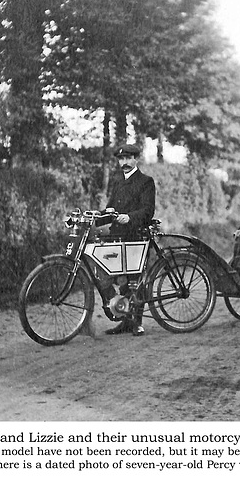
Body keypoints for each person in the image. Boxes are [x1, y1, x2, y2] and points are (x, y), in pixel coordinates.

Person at [100, 143, 156, 336]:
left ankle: (136, 322)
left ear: (136, 159)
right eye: (121, 159)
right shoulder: (118, 183)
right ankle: (123, 316)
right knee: (106, 275)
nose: (124, 162)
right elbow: (110, 210)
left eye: (127, 158)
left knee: (134, 280)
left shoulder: (145, 181)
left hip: (135, 236)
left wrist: (130, 217)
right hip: (117, 236)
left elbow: (147, 210)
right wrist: (97, 217)